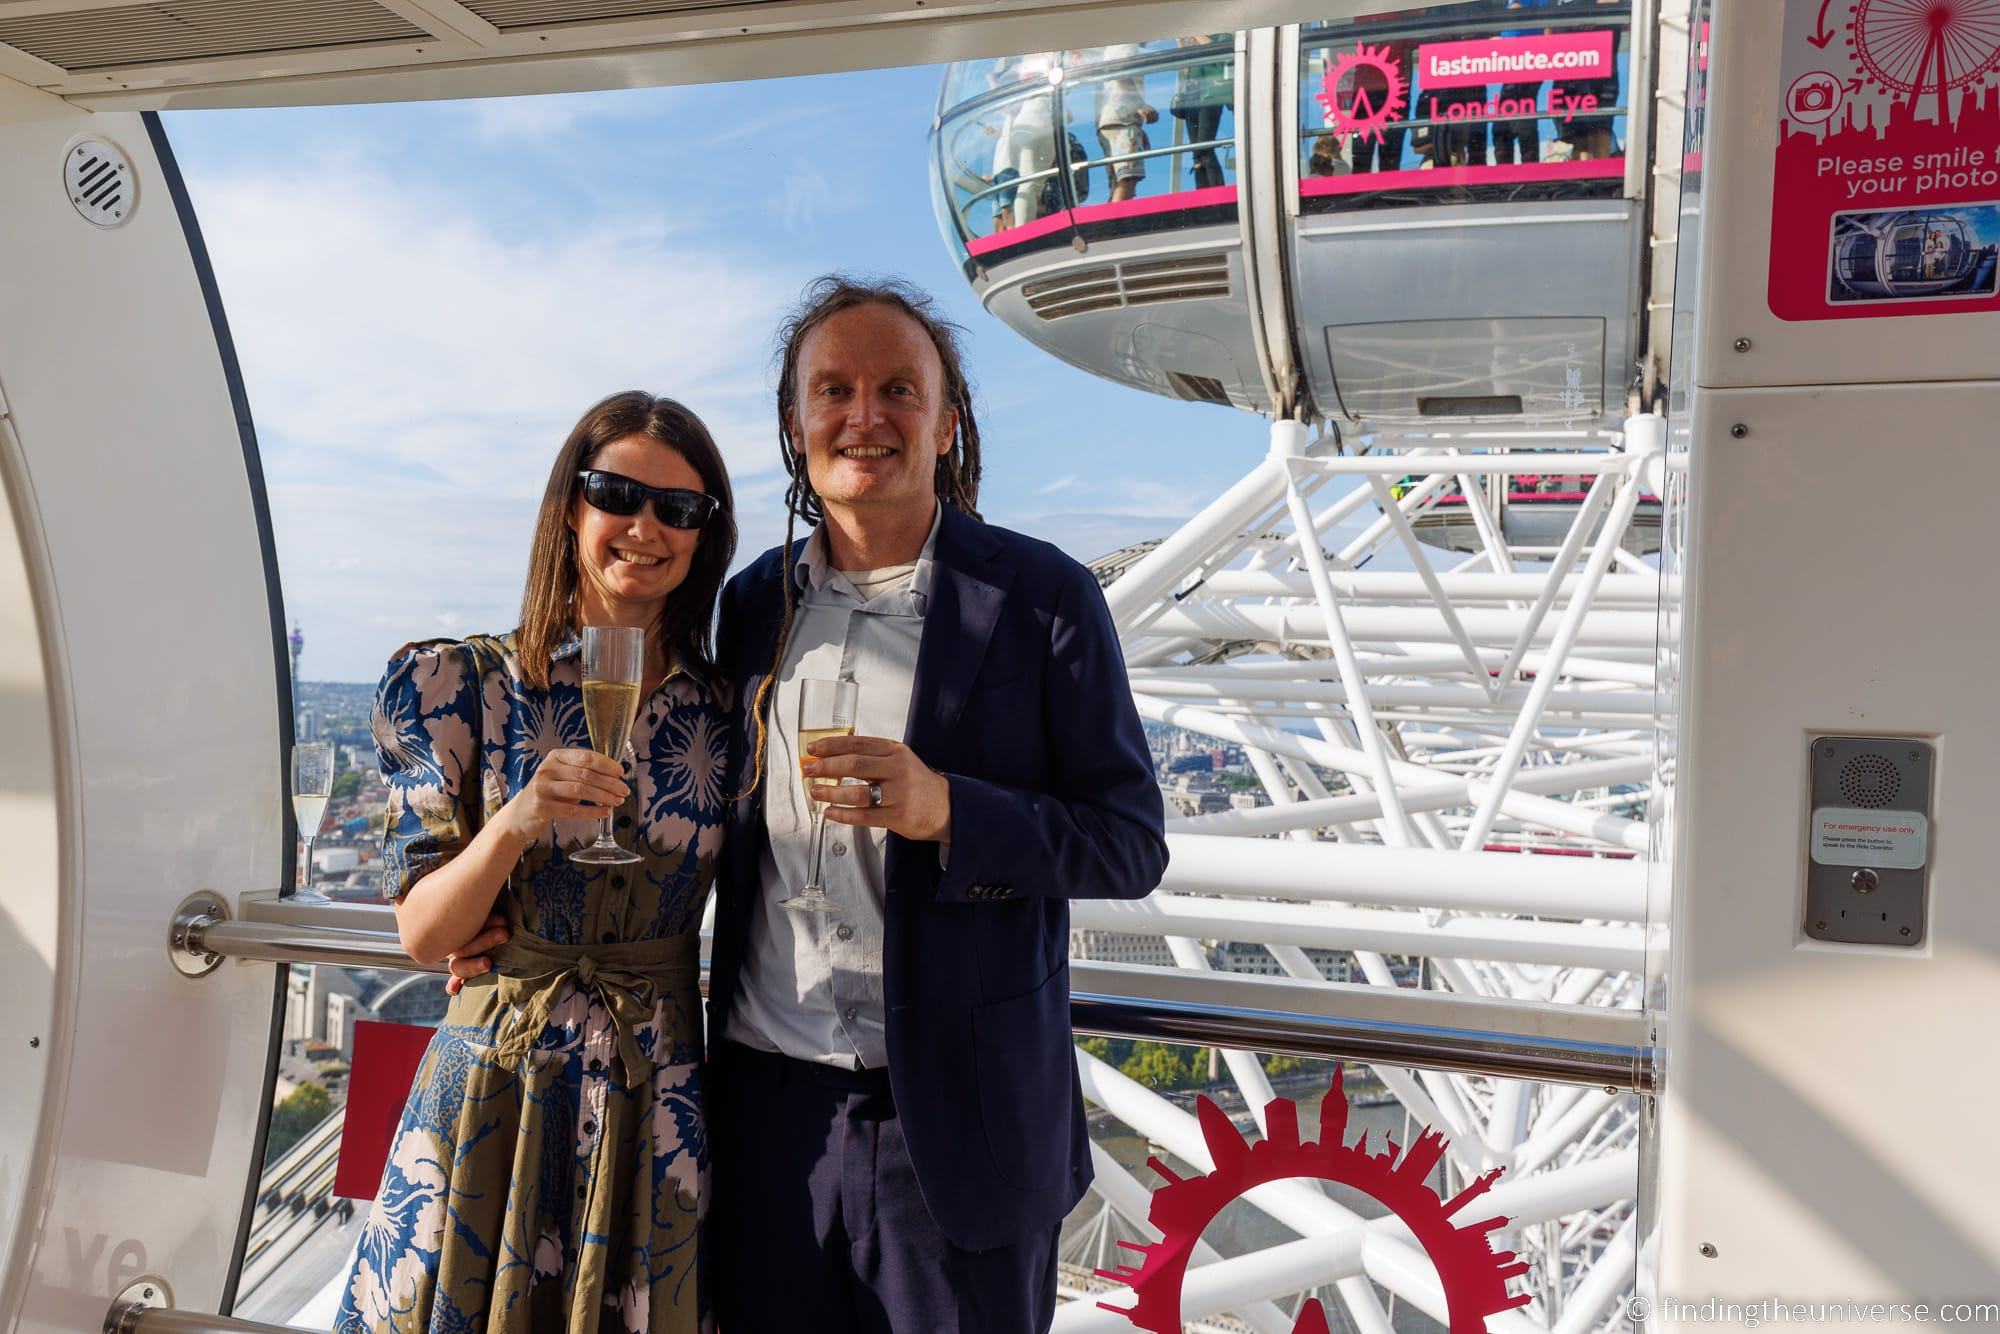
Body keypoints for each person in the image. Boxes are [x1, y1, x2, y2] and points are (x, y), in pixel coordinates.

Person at [705, 275, 1168, 1333]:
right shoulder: (751, 604)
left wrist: (948, 807)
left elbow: (1127, 842)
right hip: (769, 1111)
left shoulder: (1042, 598)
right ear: (794, 424)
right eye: (833, 390)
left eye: (895, 389)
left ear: (946, 416)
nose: (862, 415)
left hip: (958, 1132)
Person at [337, 392, 736, 1334]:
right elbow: (422, 933)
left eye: (680, 508)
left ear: (703, 535)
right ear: (571, 506)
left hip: (658, 1095)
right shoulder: (463, 685)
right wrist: (514, 822)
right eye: (618, 494)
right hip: (498, 1084)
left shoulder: (729, 709)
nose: (646, 527)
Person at [1093, 42, 1159, 203]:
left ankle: (1112, 218)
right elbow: (1122, 71)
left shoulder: (1109, 49)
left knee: (1118, 181)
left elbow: (1099, 92)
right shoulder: (1128, 45)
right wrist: (1140, 106)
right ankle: (1116, 222)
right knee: (1128, 178)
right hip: (1123, 120)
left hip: (1109, 120)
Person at [1492, 0, 1555, 166]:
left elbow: (1515, 10)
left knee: (1511, 125)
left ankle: (1516, 179)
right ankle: (1523, 175)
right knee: (1512, 124)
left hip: (1524, 61)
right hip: (1521, 62)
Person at [1172, 35, 1234, 190]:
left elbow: (1218, 52)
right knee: (1196, 153)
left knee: (1205, 147)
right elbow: (1185, 69)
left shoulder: (1222, 36)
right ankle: (1203, 193)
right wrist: (1182, 44)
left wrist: (1194, 33)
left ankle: (1217, 191)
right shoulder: (1195, 40)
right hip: (1193, 98)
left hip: (1212, 96)